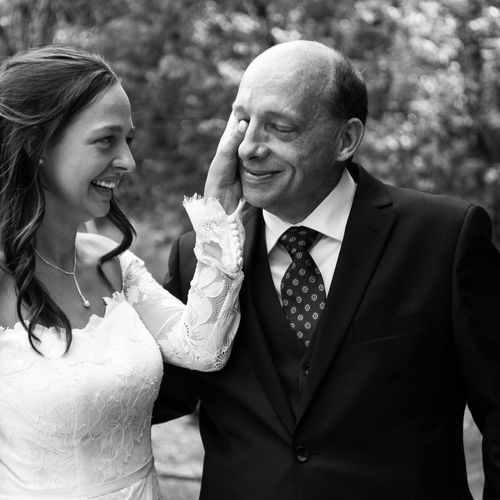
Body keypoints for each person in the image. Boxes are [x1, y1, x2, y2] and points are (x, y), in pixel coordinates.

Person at [154, 40, 500, 499]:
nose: (250, 148)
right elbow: (151, 396)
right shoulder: (199, 256)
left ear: (346, 139)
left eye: (279, 127)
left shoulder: (446, 238)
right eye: (242, 121)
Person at [0, 45, 247, 498]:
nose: (128, 161)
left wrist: (217, 203)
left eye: (127, 140)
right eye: (105, 140)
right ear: (37, 145)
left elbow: (204, 347)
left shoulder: (112, 262)